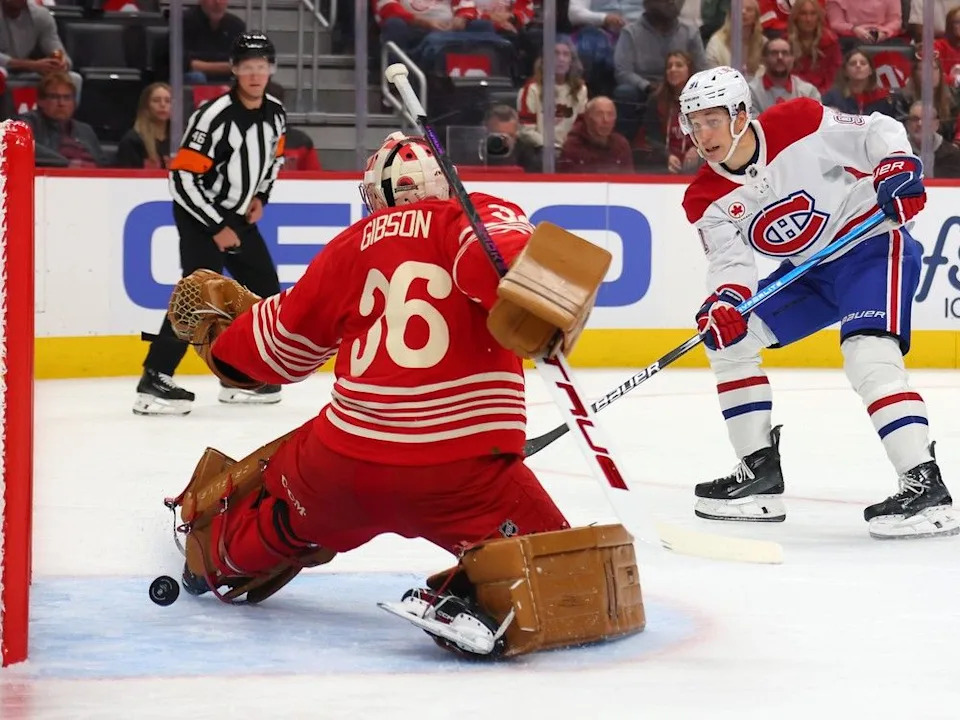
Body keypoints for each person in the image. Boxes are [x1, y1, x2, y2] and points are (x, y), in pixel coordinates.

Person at [162, 131, 642, 658]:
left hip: (343, 467)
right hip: (463, 474)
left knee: (290, 497)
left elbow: (278, 352)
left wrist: (227, 344)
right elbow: (498, 258)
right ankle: (472, 597)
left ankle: (219, 554)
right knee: (564, 578)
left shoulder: (349, 246)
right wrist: (540, 296)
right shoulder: (473, 215)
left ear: (374, 197)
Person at [677, 66, 958, 539]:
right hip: (809, 273)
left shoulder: (798, 122)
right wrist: (725, 302)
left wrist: (896, 167)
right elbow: (731, 264)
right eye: (694, 123)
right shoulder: (705, 198)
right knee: (728, 342)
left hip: (869, 242)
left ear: (741, 114)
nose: (703, 135)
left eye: (712, 120)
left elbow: (876, 132)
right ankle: (759, 475)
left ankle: (924, 484)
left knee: (867, 352)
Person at [134, 32, 285, 415]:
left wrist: (260, 198)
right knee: (198, 296)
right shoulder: (214, 117)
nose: (255, 74)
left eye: (261, 66)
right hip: (200, 216)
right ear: (234, 70)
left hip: (238, 217)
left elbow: (273, 161)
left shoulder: (276, 113)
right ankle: (154, 378)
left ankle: (234, 375)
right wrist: (217, 226)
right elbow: (181, 179)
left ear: (270, 70)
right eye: (247, 67)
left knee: (264, 292)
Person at [114, 82, 172, 169]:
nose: (163, 105)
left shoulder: (182, 139)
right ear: (146, 106)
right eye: (156, 100)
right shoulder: (132, 141)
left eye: (168, 101)